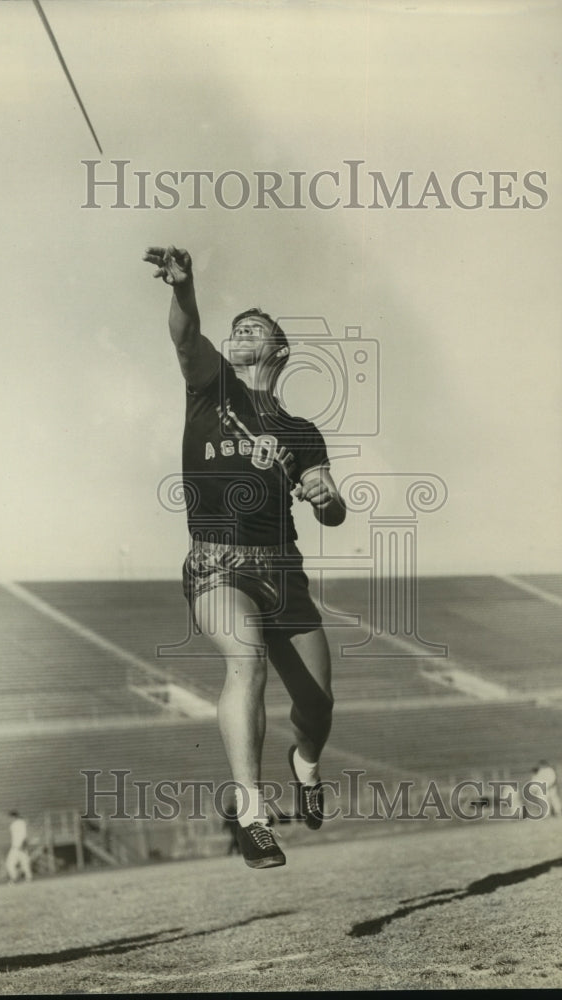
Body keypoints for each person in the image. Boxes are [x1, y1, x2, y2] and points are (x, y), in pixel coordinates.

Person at [143, 245, 347, 868]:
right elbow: (186, 338)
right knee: (245, 661)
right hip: (217, 562)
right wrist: (183, 290)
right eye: (235, 330)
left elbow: (333, 509)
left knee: (318, 706)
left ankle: (305, 766)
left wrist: (323, 495)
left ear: (279, 349)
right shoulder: (211, 386)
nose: (239, 336)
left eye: (253, 330)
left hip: (282, 566)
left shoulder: (302, 431)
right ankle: (253, 814)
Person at [5, 810, 33, 883]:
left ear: (13, 817)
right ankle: (26, 878)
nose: (8, 819)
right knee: (23, 863)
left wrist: (23, 844)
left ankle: (17, 878)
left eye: (9, 817)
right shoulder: (17, 823)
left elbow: (24, 835)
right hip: (17, 846)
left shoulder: (19, 823)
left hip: (19, 846)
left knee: (11, 863)